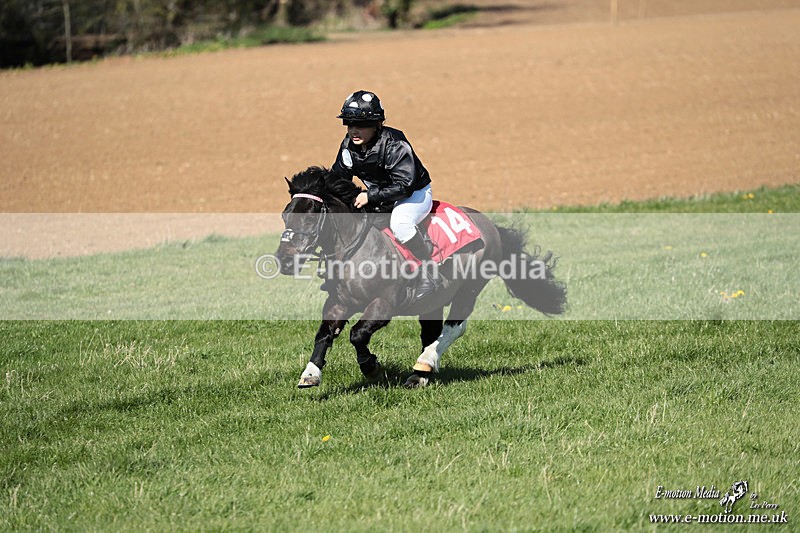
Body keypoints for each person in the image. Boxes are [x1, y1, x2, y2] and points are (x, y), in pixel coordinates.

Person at [331, 90, 439, 300]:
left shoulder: (394, 144)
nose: (354, 130)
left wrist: (370, 196)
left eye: (360, 125)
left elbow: (405, 186)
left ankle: (430, 272)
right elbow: (337, 179)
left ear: (377, 124)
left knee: (400, 223)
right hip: (382, 197)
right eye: (349, 124)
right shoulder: (348, 147)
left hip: (413, 195)